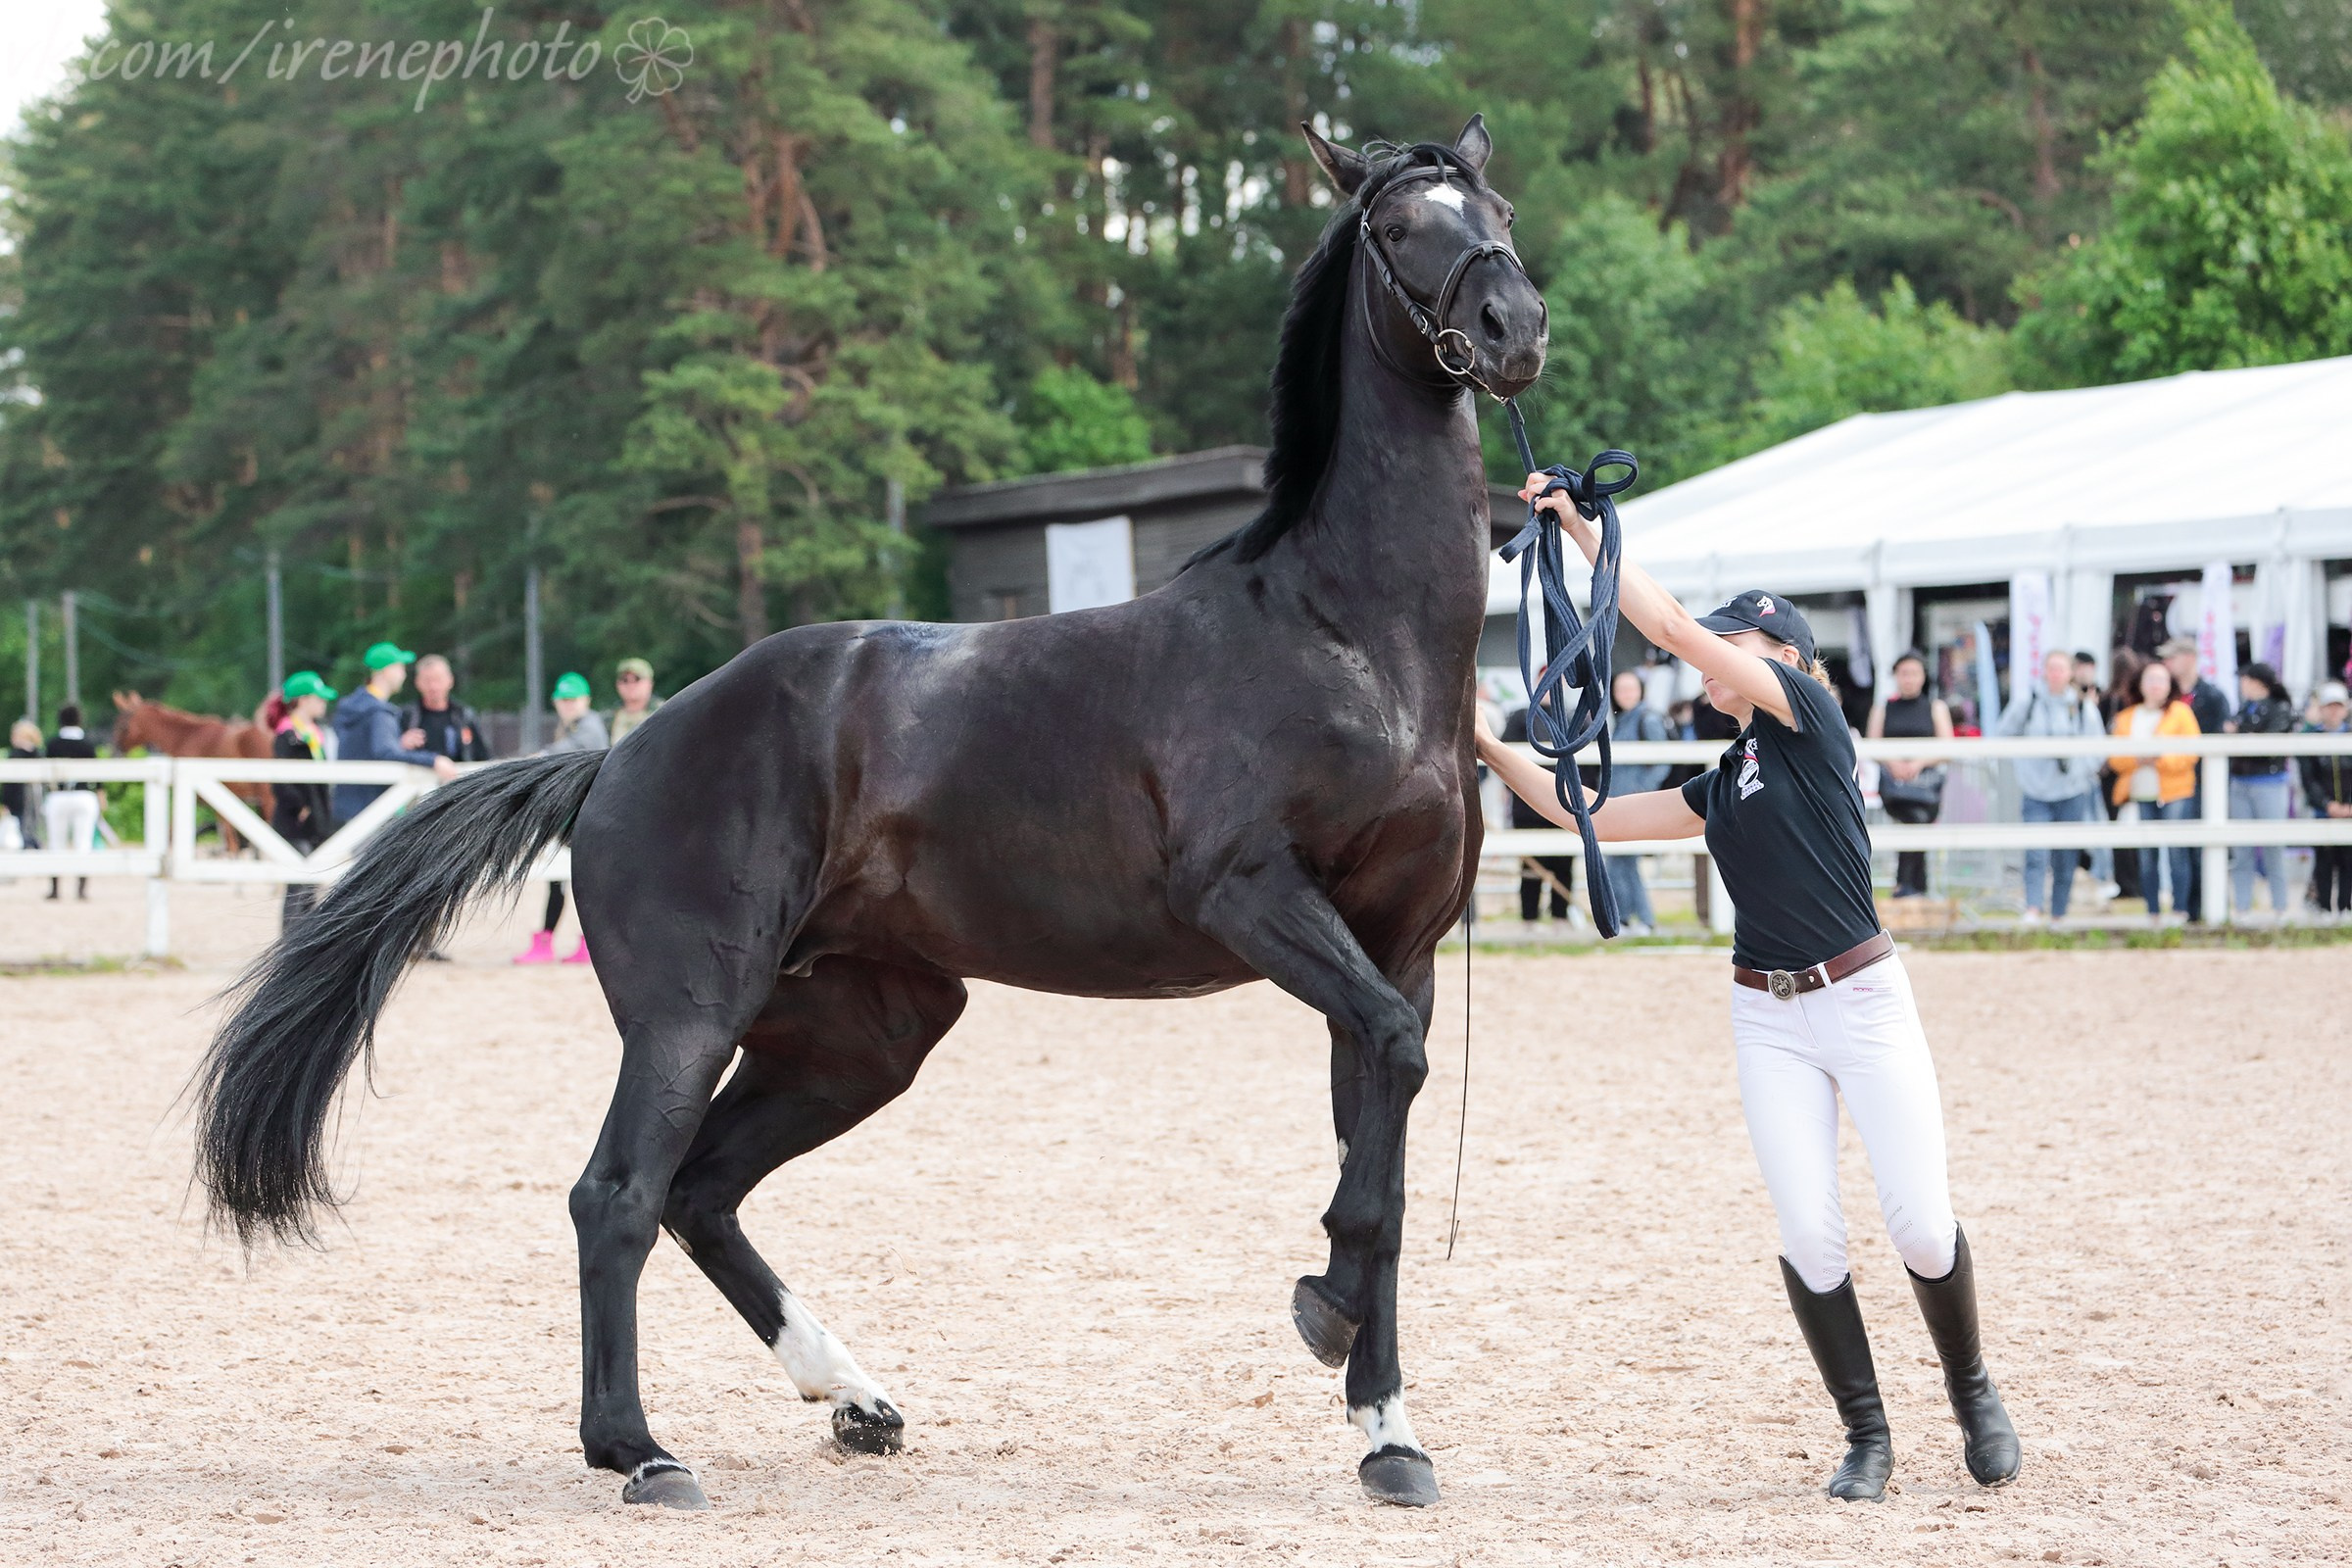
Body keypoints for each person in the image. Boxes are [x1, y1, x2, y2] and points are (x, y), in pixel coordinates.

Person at [1479, 478, 2020, 1503]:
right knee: (1809, 1231)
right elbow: (1575, 809)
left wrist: (1582, 527)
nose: (1718, 655)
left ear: (1788, 662)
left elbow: (1673, 624)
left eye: (1744, 644)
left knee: (1916, 1221)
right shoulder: (1724, 781)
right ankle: (1867, 1434)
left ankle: (1972, 1387)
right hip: (1765, 1015)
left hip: (1861, 998)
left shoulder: (1811, 716)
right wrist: (1479, 737)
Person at [1995, 649, 2106, 921]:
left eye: (2061, 669)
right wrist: (2024, 766)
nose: (2056, 674)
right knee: (2035, 851)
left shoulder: (2083, 707)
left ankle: (2059, 912)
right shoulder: (2028, 702)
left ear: (2070, 673)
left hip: (2071, 791)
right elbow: (2003, 734)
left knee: (2066, 855)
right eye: (2051, 668)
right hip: (2035, 790)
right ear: (2044, 672)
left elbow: (2098, 748)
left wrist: (2080, 772)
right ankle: (2033, 907)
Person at [514, 672, 611, 965]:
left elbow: (561, 754)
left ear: (586, 701)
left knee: (580, 881)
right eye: (563, 700)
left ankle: (577, 943)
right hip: (577, 817)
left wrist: (535, 758)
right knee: (562, 880)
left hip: (587, 817)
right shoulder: (572, 726)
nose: (567, 705)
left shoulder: (589, 728)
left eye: (572, 700)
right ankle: (556, 941)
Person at [331, 641, 459, 827]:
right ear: (386, 671)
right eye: (399, 668)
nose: (403, 674)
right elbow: (384, 752)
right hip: (372, 809)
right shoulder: (378, 712)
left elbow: (367, 749)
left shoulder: (354, 707)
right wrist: (434, 760)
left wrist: (396, 743)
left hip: (350, 806)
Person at [2110, 661, 2200, 920]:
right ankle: (2152, 911)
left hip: (2175, 790)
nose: (2156, 685)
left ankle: (2180, 908)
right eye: (2150, 679)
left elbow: (2191, 752)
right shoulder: (2126, 717)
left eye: (2161, 680)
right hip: (2140, 790)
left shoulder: (2180, 713)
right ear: (2140, 683)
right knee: (2147, 855)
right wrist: (2138, 758)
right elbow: (2115, 758)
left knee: (2176, 851)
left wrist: (2159, 757)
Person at [1867, 651, 1952, 899]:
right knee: (1916, 821)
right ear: (1896, 676)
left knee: (1918, 820)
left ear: (1923, 676)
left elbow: (1948, 746)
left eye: (1914, 673)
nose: (1909, 679)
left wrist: (1918, 763)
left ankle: (1907, 885)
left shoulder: (1935, 707)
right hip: (1894, 786)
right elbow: (1874, 744)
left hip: (1926, 785)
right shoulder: (1883, 708)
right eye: (1904, 673)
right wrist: (1894, 764)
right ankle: (1912, 885)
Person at [2160, 638, 2232, 920]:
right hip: (2177, 780)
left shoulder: (2212, 696)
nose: (2168, 664)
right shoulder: (2170, 697)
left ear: (2189, 658)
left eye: (2172, 658)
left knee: (2206, 846)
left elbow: (2219, 739)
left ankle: (2209, 905)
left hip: (2205, 783)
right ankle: (2186, 907)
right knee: (2181, 847)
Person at [1498, 705, 1580, 927]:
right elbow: (1505, 754)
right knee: (1530, 866)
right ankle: (1529, 917)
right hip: (1527, 804)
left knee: (1563, 864)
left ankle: (1560, 916)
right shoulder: (1521, 716)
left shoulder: (1575, 714)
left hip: (1565, 802)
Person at [270, 672, 339, 932]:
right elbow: (281, 781)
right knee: (298, 882)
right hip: (295, 819)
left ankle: (305, 937)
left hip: (316, 818)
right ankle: (290, 937)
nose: (323, 703)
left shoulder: (314, 733)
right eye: (318, 698)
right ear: (304, 700)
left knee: (312, 882)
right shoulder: (287, 735)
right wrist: (300, 805)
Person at [2227, 663, 2297, 918]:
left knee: (2273, 847)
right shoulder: (2245, 708)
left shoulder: (2279, 708)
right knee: (2241, 849)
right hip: (2241, 780)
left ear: (2257, 682)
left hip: (2270, 781)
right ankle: (2243, 907)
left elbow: (2271, 741)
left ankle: (2280, 906)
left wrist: (2242, 734)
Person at [1604, 668, 1670, 935]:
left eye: (1631, 688)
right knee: (1619, 861)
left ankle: (1640, 918)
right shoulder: (1622, 721)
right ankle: (1628, 918)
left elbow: (1663, 761)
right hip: (1618, 799)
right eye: (1621, 689)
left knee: (1625, 861)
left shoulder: (1647, 719)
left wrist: (1643, 788)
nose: (1626, 694)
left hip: (1633, 801)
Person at [2300, 681, 2352, 916]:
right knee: (2323, 861)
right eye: (2329, 706)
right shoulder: (2311, 739)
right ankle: (2323, 908)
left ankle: (2345, 906)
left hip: (2348, 811)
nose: (2333, 711)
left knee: (2348, 862)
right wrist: (2326, 804)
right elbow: (2308, 780)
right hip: (2323, 810)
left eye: (2337, 706)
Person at [41, 704, 101, 902]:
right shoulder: (88, 744)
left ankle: (55, 889)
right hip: (83, 795)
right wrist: (100, 793)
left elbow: (45, 773)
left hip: (58, 796)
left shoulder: (53, 743)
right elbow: (97, 774)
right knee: (83, 843)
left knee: (55, 842)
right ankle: (81, 889)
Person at [399, 654, 493, 763]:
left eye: (438, 679)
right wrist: (400, 744)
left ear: (450, 680)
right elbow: (387, 751)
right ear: (417, 683)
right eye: (427, 680)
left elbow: (483, 756)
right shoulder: (406, 716)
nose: (433, 686)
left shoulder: (465, 716)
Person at [4, 718, 42, 852]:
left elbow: (9, 784)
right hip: (35, 796)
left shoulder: (15, 754)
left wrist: (5, 802)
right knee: (32, 828)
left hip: (18, 798)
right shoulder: (38, 753)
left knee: (22, 829)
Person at [611, 658, 663, 745]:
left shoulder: (663, 712)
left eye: (637, 679)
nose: (630, 685)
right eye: (625, 680)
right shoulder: (609, 718)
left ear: (650, 683)